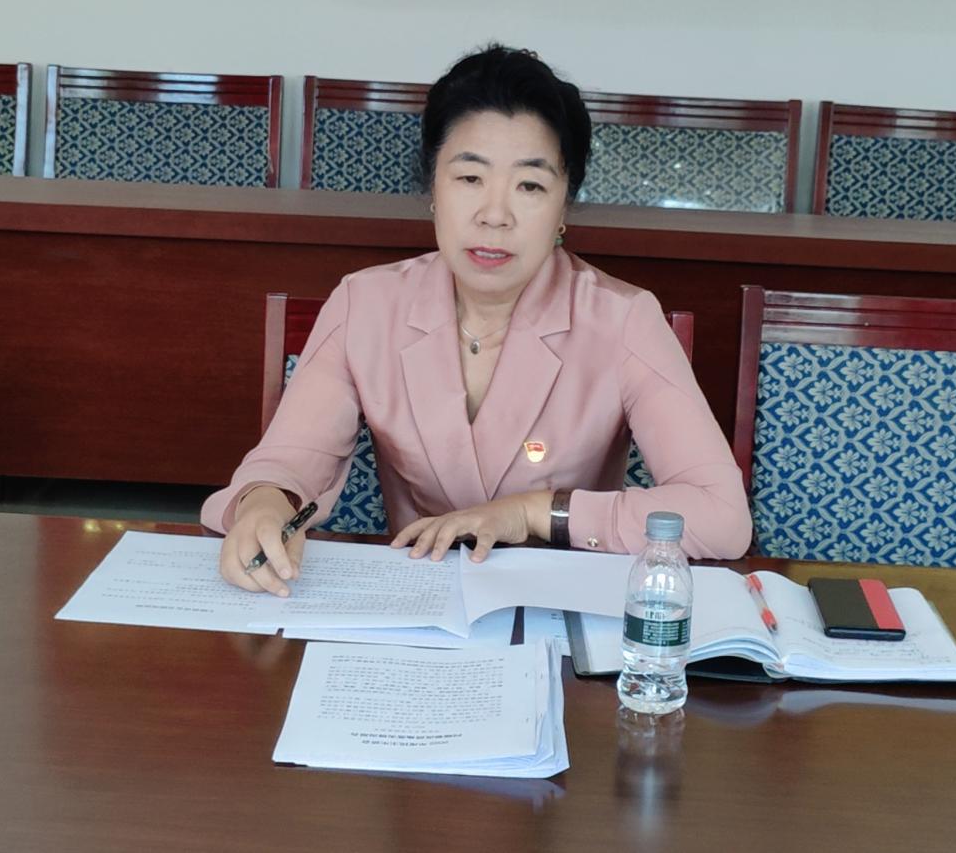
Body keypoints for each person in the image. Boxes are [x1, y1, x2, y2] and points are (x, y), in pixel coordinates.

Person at [202, 45, 751, 595]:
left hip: (562, 607)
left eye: (530, 186)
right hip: (414, 601)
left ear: (564, 206)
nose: (495, 215)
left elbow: (721, 516)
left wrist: (535, 512)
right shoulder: (364, 305)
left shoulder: (625, 320)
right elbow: (289, 463)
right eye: (469, 178)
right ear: (432, 188)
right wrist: (265, 503)